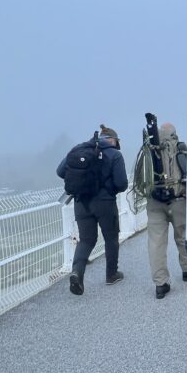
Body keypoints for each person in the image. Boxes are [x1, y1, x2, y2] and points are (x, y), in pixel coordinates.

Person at [57, 124, 128, 294]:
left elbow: (60, 171)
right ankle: (111, 274)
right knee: (111, 237)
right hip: (104, 203)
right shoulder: (115, 155)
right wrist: (109, 189)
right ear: (112, 140)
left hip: (81, 202)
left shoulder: (79, 149)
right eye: (116, 141)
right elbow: (122, 184)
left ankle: (77, 273)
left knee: (86, 240)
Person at [145, 119, 187, 299]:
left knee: (156, 243)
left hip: (154, 202)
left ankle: (161, 284)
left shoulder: (149, 150)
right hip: (178, 199)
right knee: (182, 237)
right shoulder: (180, 148)